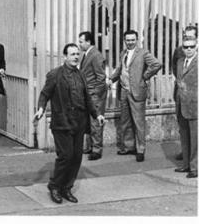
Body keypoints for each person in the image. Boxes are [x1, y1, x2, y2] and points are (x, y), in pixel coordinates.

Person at [34, 43, 105, 204]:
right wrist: (40, 109)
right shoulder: (55, 74)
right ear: (64, 57)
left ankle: (66, 187)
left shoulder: (80, 75)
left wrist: (97, 114)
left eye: (77, 54)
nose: (75, 57)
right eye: (72, 54)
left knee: (76, 157)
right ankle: (54, 186)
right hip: (62, 123)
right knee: (65, 156)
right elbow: (45, 94)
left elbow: (87, 98)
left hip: (78, 122)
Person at [109, 29, 162, 162]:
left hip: (137, 92)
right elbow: (120, 69)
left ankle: (140, 150)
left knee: (138, 122)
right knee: (125, 121)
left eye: (133, 40)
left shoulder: (143, 53)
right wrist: (111, 79)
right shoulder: (123, 53)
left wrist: (145, 76)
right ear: (124, 41)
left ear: (136, 40)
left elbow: (157, 64)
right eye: (128, 40)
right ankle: (128, 147)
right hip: (124, 91)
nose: (130, 42)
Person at [78, 31, 107, 160]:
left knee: (95, 122)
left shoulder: (95, 55)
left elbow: (101, 77)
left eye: (81, 41)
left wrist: (95, 93)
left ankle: (97, 149)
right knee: (89, 122)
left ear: (88, 42)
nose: (79, 44)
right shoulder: (88, 54)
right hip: (88, 93)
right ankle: (90, 146)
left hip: (94, 94)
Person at [171, 25, 198, 161]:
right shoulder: (178, 52)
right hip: (181, 96)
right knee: (184, 130)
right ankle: (186, 158)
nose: (188, 41)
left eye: (191, 37)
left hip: (195, 99)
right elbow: (175, 70)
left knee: (196, 133)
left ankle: (195, 163)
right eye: (185, 37)